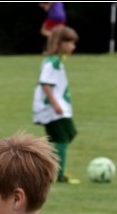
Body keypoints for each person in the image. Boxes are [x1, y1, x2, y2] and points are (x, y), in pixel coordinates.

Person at [33, 25, 80, 184]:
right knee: (63, 136)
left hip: (55, 107)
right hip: (51, 109)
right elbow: (45, 83)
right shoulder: (51, 62)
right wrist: (55, 104)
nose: (73, 47)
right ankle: (57, 174)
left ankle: (48, 166)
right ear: (60, 43)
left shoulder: (57, 60)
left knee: (67, 134)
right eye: (70, 43)